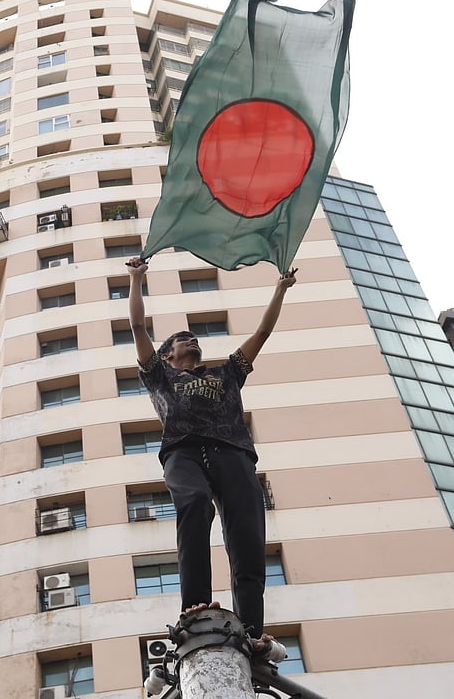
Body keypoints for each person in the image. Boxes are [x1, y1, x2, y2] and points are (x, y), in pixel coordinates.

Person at [125, 256, 296, 653]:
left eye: (194, 337)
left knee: (247, 534)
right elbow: (137, 326)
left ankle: (251, 631)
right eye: (182, 339)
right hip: (183, 453)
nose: (192, 340)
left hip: (233, 452)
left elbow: (263, 332)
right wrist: (136, 279)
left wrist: (280, 289)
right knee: (196, 502)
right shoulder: (159, 375)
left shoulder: (227, 373)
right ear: (167, 355)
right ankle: (195, 605)